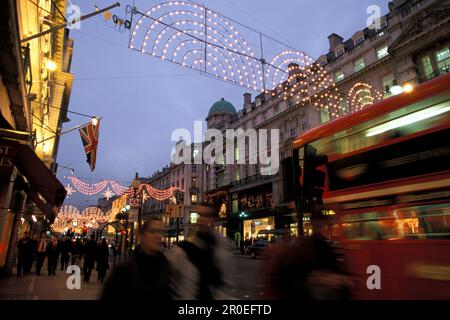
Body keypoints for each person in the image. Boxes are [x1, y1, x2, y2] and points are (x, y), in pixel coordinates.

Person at [165, 210, 232, 300]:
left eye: (206, 216)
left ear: (212, 220)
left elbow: (225, 282)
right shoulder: (183, 249)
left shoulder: (221, 247)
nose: (203, 219)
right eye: (200, 215)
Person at [101, 218, 172, 300]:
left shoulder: (166, 267)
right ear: (142, 235)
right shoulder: (124, 271)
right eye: (153, 231)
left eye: (161, 232)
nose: (158, 236)